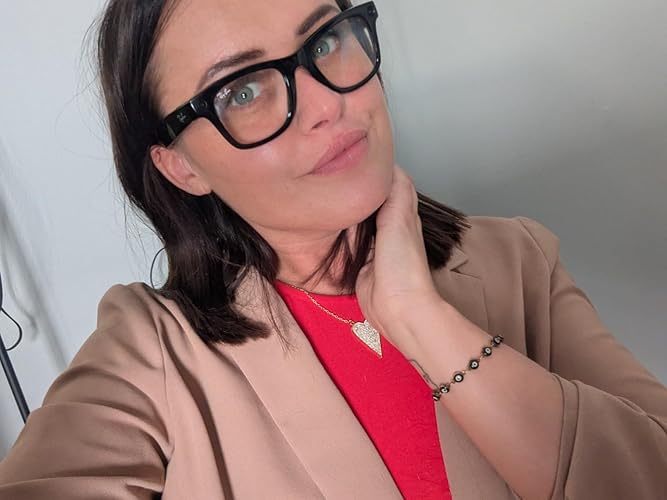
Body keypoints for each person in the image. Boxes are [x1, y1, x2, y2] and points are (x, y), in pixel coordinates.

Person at [1, 0, 666, 498]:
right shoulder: (151, 350)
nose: (326, 102)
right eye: (241, 90)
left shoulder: (518, 257)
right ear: (181, 167)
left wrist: (422, 320)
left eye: (325, 40)